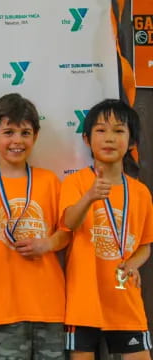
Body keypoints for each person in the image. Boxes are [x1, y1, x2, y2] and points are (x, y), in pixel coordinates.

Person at [0, 93, 68, 359]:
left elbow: (67, 232)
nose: (17, 140)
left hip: (50, 306)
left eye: (25, 132)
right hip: (3, 308)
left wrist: (47, 243)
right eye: (8, 132)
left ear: (35, 137)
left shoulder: (49, 181)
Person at [60, 99, 153, 359]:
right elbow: (68, 223)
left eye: (119, 131)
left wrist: (133, 263)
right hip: (83, 301)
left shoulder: (141, 193)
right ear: (87, 139)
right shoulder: (76, 183)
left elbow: (145, 245)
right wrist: (89, 197)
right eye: (101, 130)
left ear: (132, 142)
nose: (109, 138)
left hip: (125, 298)